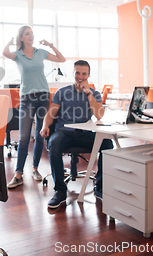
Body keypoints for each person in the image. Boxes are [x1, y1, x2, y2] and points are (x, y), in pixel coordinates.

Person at [40, 60, 113, 209]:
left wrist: (88, 93)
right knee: (54, 144)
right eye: (77, 73)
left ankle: (100, 187)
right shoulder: (62, 92)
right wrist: (45, 125)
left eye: (84, 73)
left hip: (85, 134)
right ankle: (60, 191)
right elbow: (51, 113)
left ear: (89, 75)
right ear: (73, 73)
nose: (80, 76)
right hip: (64, 133)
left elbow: (99, 115)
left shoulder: (95, 93)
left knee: (107, 143)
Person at [3, 25, 66, 188]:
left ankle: (35, 168)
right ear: (21, 38)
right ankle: (18, 174)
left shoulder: (40, 53)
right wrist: (10, 42)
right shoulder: (18, 55)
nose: (31, 36)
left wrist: (50, 45)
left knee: (40, 134)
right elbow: (5, 53)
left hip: (44, 96)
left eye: (31, 33)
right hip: (27, 98)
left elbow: (61, 59)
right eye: (27, 34)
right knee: (24, 137)